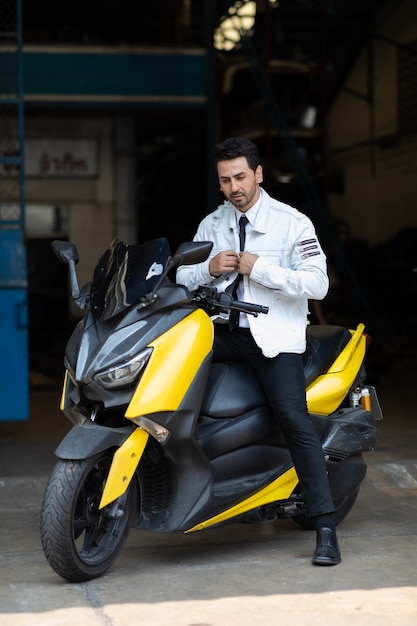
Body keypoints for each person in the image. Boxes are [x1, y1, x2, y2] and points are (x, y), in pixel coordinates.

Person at [176, 136, 341, 566]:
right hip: (222, 333)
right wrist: (206, 269)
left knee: (292, 417)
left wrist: (260, 269)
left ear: (259, 173)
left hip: (274, 338)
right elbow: (181, 277)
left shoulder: (292, 223)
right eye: (225, 180)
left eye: (241, 177)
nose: (234, 187)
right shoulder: (213, 224)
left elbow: (317, 283)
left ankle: (324, 525)